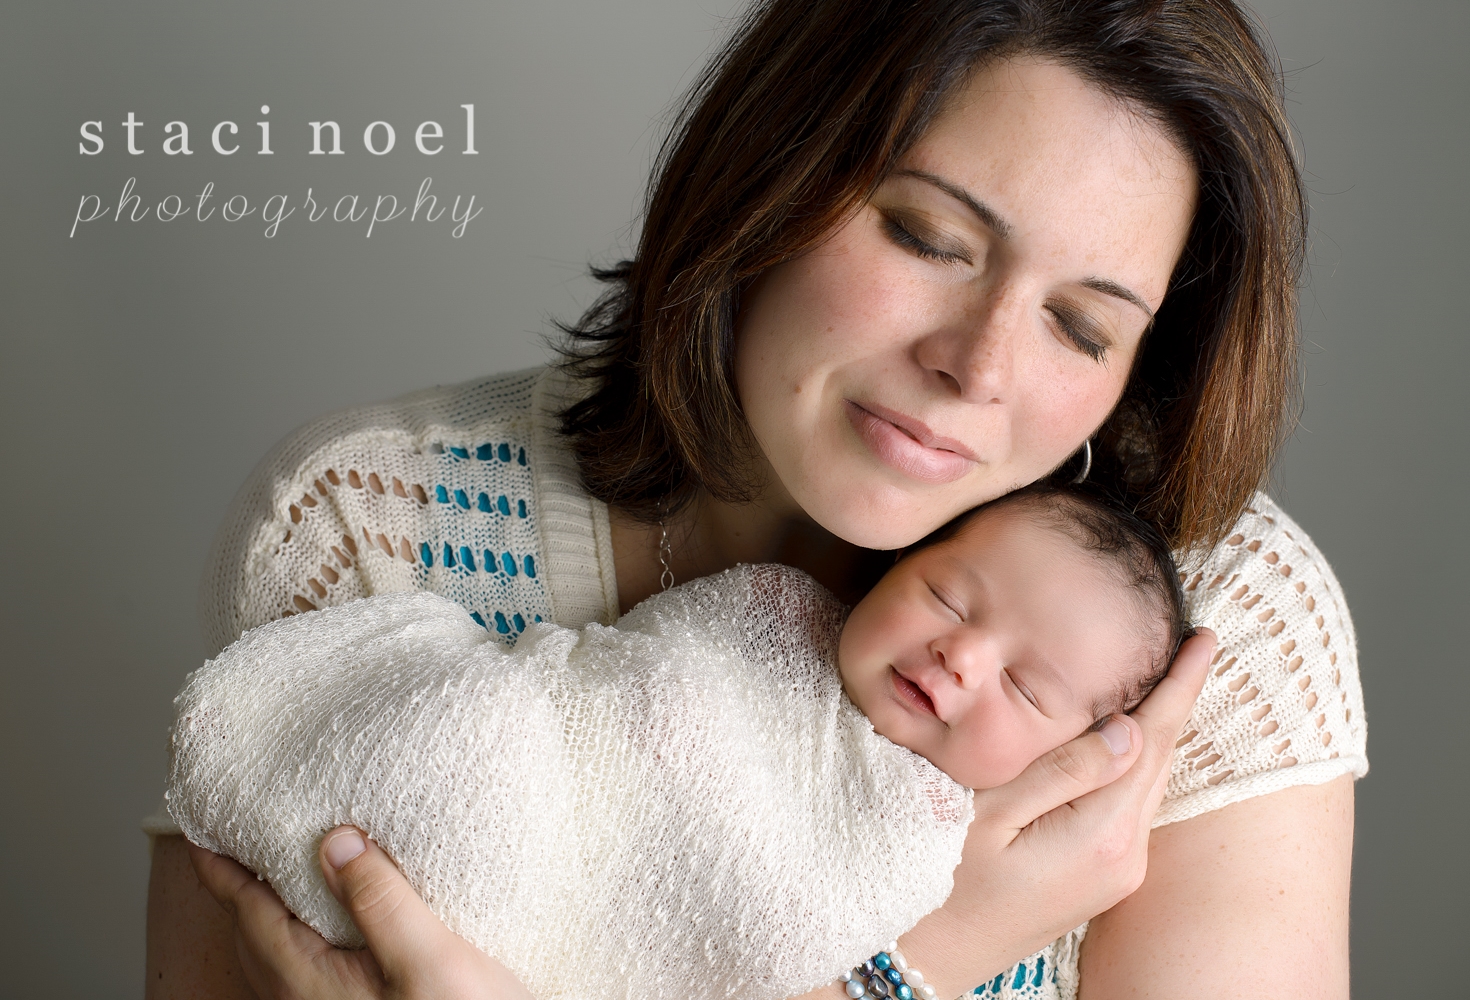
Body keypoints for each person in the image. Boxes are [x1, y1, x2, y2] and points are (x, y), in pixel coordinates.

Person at [144, 1, 1366, 998]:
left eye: (1080, 324)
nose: (979, 368)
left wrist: (903, 969)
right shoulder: (371, 527)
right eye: (928, 236)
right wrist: (919, 959)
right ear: (770, 176)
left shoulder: (1212, 633)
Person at [165, 486, 1193, 1000]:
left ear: (1082, 754)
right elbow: (615, 679)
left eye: (1023, 683)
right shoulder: (778, 613)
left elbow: (766, 931)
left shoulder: (925, 845)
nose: (961, 655)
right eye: (945, 594)